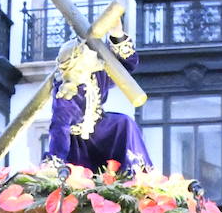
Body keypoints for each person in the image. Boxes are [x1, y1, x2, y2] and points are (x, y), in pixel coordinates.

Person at [43, 20, 152, 174]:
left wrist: (117, 34)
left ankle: (136, 170)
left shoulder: (97, 72)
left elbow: (126, 66)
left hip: (101, 127)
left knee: (124, 123)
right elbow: (60, 127)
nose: (94, 58)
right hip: (80, 143)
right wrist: (57, 162)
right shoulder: (66, 90)